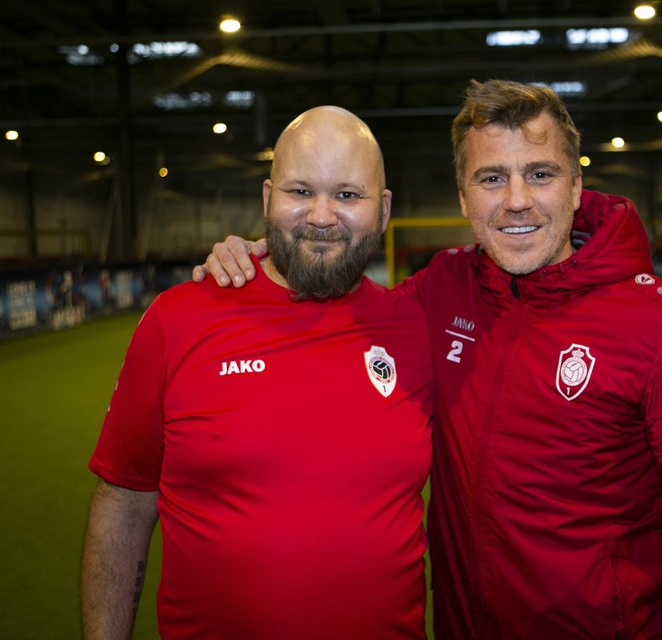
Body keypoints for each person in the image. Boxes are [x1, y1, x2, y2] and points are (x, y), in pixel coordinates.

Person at [196, 79, 662, 639]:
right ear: (462, 196)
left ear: (576, 188)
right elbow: (335, 317)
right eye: (491, 178)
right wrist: (263, 263)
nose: (517, 201)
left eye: (540, 173)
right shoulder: (440, 290)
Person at [81, 106, 434, 640]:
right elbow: (124, 502)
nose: (321, 215)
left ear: (383, 210)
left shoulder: (417, 323)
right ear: (268, 199)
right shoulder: (178, 319)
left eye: (347, 194)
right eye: (300, 191)